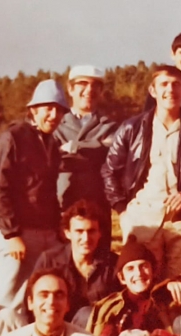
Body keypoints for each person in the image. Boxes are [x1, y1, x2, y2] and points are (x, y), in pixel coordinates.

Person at [102, 65, 181, 279]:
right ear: (153, 90)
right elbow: (110, 171)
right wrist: (122, 210)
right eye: (164, 84)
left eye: (176, 84)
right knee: (143, 282)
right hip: (142, 218)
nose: (170, 90)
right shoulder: (132, 128)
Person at [0, 79, 69, 307]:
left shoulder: (52, 144)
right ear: (33, 110)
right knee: (9, 301)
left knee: (41, 297)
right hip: (17, 234)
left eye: (59, 110)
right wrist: (11, 234)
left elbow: (50, 192)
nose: (54, 115)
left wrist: (57, 230)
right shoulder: (12, 138)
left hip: (47, 234)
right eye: (48, 108)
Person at [54, 65, 119, 251]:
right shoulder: (56, 123)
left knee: (98, 264)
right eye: (82, 84)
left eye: (95, 85)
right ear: (71, 88)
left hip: (97, 207)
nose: (89, 90)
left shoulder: (109, 126)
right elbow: (51, 155)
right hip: (62, 205)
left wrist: (72, 147)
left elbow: (110, 151)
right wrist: (96, 147)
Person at [33, 200, 119, 326]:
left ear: (100, 233)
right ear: (68, 233)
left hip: (97, 332)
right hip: (54, 329)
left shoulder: (112, 264)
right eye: (79, 231)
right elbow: (31, 301)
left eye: (91, 231)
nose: (86, 238)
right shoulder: (49, 261)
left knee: (86, 314)